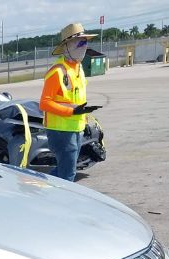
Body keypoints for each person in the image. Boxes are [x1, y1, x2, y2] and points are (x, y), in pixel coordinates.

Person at [39, 23, 102, 181]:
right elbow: (44, 103)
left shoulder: (78, 68)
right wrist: (72, 111)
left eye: (86, 42)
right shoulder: (57, 72)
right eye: (80, 42)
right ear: (67, 46)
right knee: (68, 174)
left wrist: (83, 116)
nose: (84, 46)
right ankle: (59, 201)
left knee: (64, 171)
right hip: (60, 131)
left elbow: (76, 98)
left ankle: (39, 189)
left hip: (75, 127)